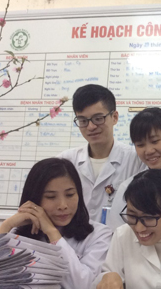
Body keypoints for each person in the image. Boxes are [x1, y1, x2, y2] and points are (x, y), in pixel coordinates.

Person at [0, 158, 112, 289]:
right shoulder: (16, 233)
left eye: (70, 195)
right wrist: (6, 226)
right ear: (34, 199)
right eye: (51, 197)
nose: (63, 205)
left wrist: (52, 232)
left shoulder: (99, 234)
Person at [57, 84, 145, 223]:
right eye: (83, 121)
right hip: (72, 237)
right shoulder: (65, 161)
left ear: (114, 117)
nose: (91, 127)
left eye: (98, 119)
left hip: (119, 237)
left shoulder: (137, 160)